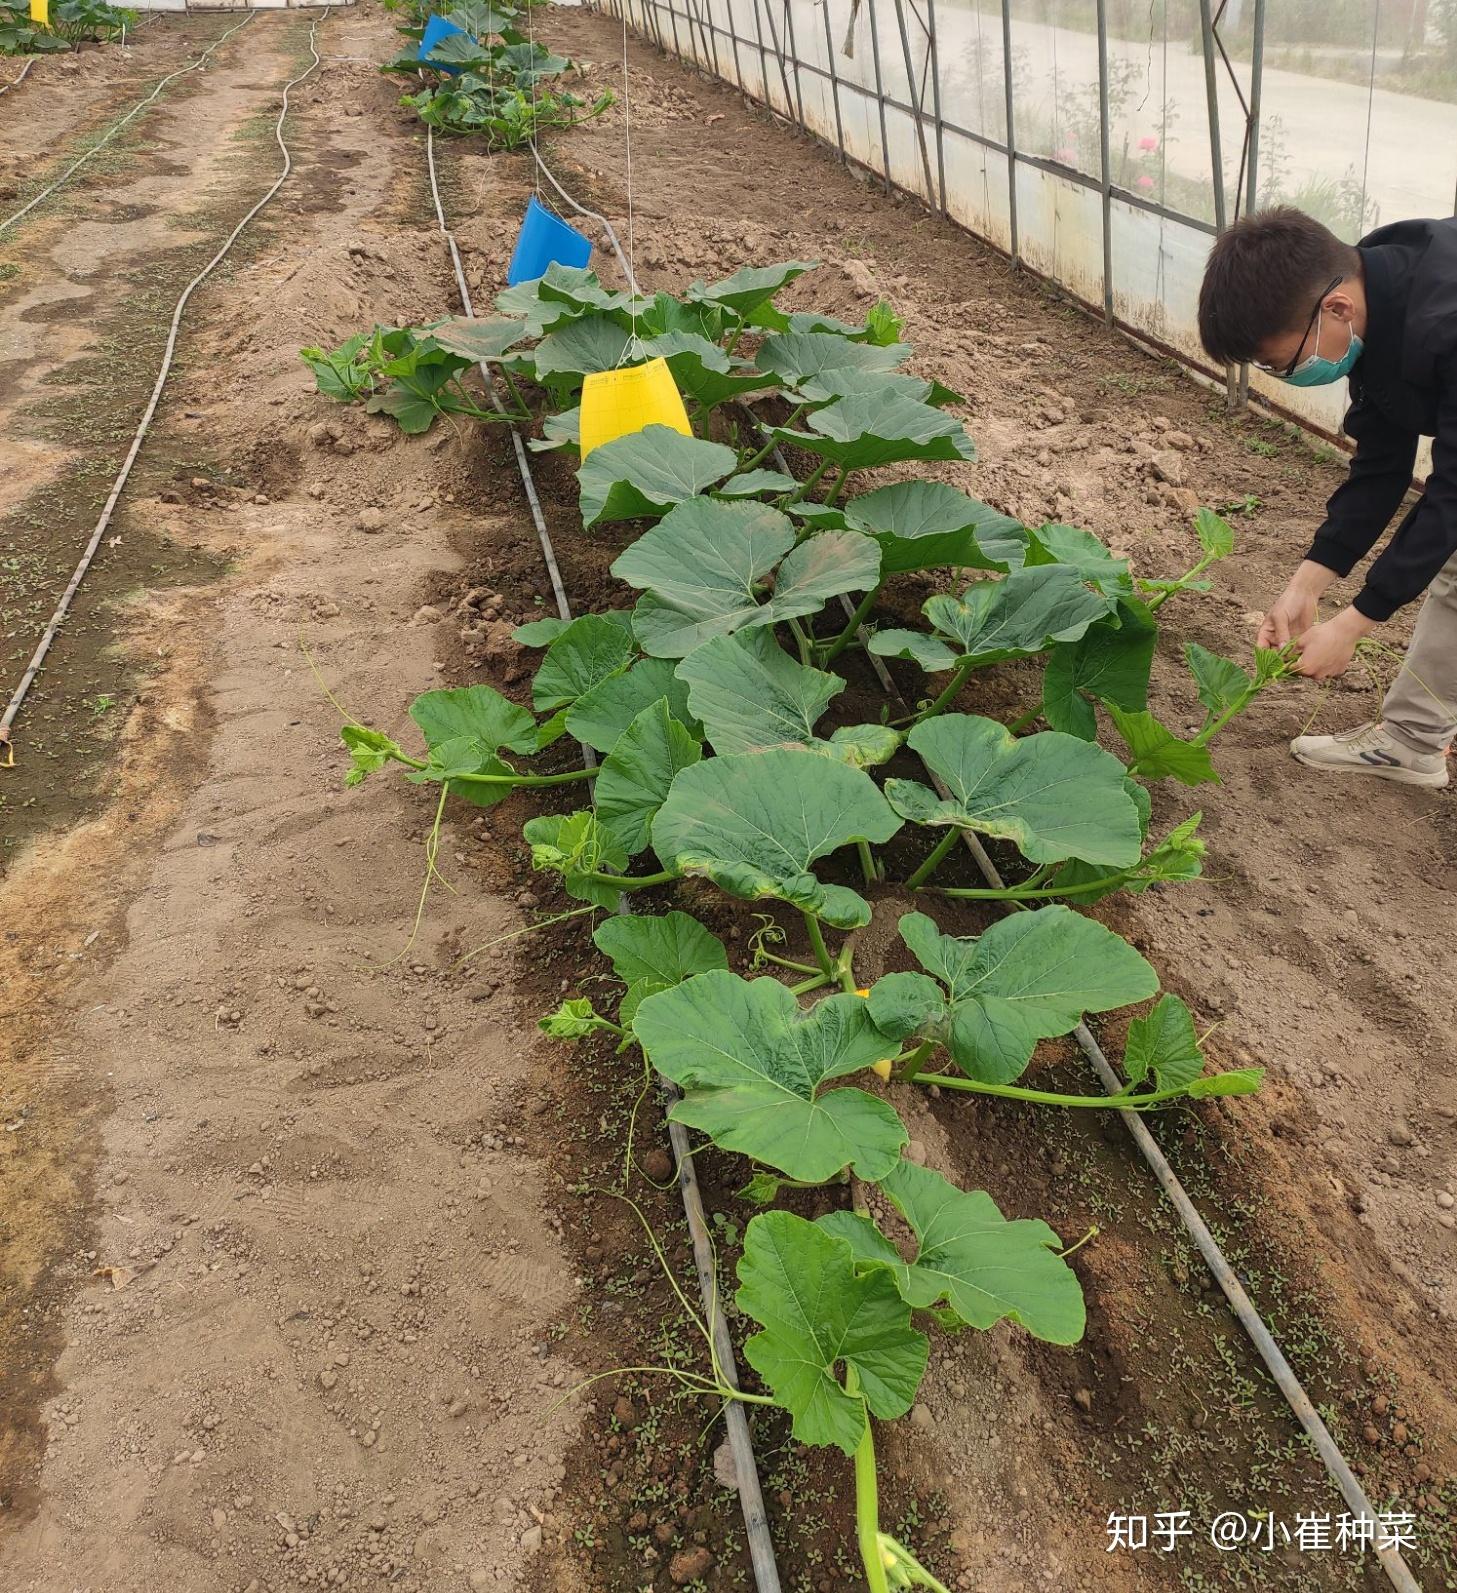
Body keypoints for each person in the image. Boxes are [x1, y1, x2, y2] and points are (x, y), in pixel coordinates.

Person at [1197, 206, 1457, 788]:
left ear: (1335, 309)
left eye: (1280, 362)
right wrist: (1306, 585)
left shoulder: (1446, 316)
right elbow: (1382, 465)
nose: (1283, 375)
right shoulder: (1373, 294)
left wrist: (1354, 625)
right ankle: (1414, 743)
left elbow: (1452, 494)